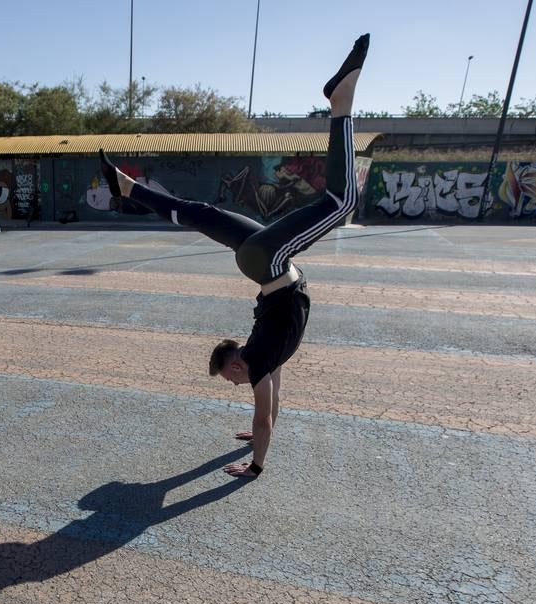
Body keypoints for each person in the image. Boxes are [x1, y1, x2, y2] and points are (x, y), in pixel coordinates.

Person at [99, 34, 368, 479]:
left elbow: (264, 414)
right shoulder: (266, 357)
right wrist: (258, 428)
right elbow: (270, 407)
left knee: (340, 203)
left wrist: (255, 466)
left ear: (238, 364)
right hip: (264, 263)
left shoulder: (259, 360)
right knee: (203, 215)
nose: (237, 385)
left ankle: (341, 103)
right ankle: (127, 188)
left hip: (270, 262)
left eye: (232, 380)